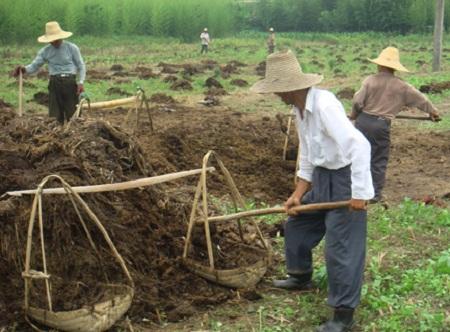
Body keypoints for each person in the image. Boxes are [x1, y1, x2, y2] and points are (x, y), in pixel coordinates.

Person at [251, 50, 374, 332]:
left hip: (345, 180)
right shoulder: (299, 109)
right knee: (297, 223)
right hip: (322, 178)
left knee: (340, 248)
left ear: (291, 87)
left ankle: (343, 315)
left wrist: (359, 193)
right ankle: (300, 276)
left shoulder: (324, 106)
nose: (276, 95)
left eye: (278, 90)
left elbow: (360, 146)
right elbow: (307, 153)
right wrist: (298, 192)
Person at [350, 47, 441, 202]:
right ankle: (374, 196)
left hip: (363, 122)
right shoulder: (401, 86)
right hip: (380, 125)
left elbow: (357, 101)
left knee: (358, 156)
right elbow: (421, 99)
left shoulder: (369, 80)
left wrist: (354, 115)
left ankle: (354, 191)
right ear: (394, 68)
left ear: (379, 65)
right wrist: (433, 112)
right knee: (378, 160)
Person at [13, 21, 86, 124]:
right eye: (51, 40)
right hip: (54, 83)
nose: (54, 42)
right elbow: (34, 66)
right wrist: (24, 69)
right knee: (55, 117)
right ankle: (56, 136)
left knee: (73, 114)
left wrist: (81, 82)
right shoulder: (45, 51)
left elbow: (81, 65)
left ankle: (74, 134)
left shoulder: (71, 48)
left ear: (61, 37)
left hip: (69, 82)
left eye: (56, 39)